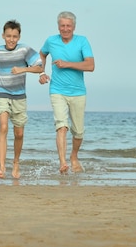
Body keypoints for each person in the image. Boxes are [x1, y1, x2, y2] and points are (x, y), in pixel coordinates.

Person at [39, 11, 95, 174]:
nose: (65, 29)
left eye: (68, 26)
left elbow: (90, 66)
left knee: (78, 131)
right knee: (61, 126)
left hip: (78, 92)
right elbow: (42, 54)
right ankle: (63, 163)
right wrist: (41, 72)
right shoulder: (51, 41)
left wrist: (67, 64)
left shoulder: (82, 41)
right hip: (57, 90)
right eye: (62, 25)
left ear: (74, 27)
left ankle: (74, 156)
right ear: (58, 26)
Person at [0, 20, 43, 179]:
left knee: (18, 133)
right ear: (3, 35)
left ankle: (16, 163)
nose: (11, 39)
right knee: (3, 126)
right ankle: (2, 167)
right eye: (8, 36)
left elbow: (39, 67)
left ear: (19, 37)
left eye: (15, 36)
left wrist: (23, 69)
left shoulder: (25, 50)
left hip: (19, 96)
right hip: (1, 92)